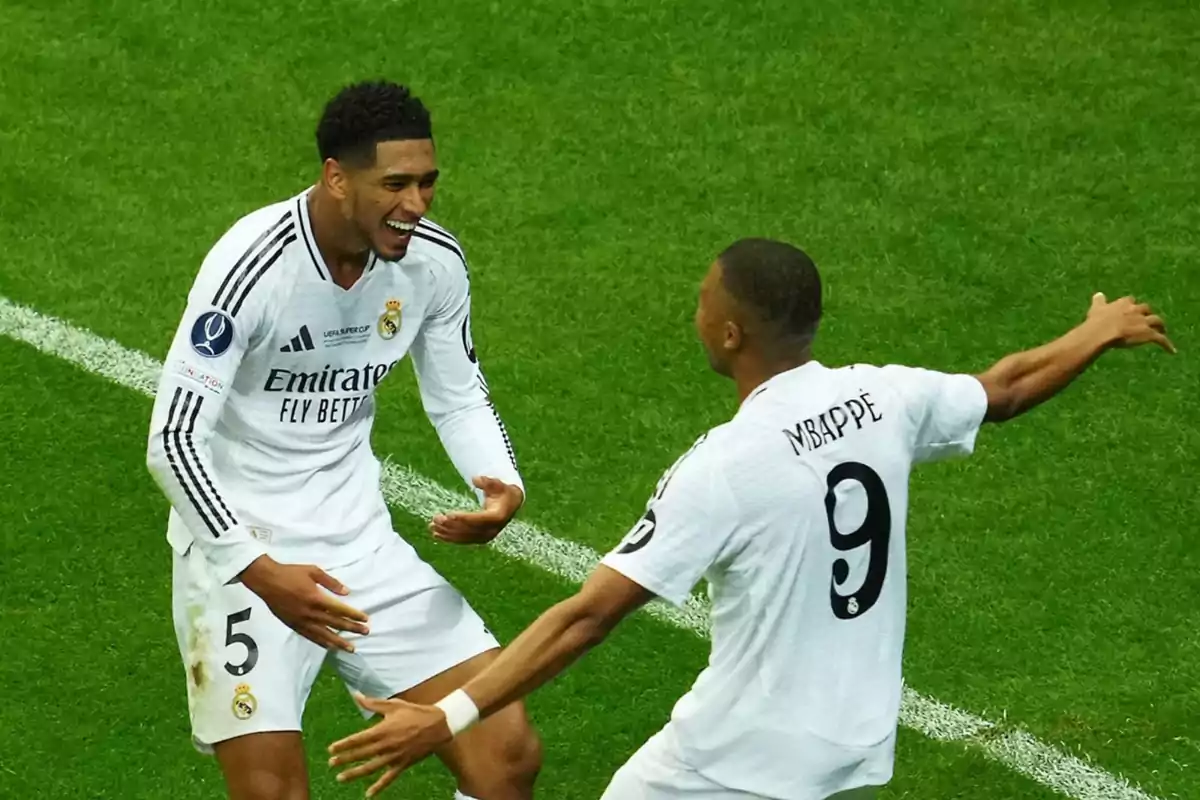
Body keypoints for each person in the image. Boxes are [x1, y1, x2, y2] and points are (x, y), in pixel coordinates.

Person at [324, 238, 1175, 799]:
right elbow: (1008, 388)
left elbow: (586, 617)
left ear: (730, 333)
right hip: (852, 736)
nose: (693, 311)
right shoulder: (885, 395)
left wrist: (448, 716)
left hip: (738, 751)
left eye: (702, 300)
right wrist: (1093, 331)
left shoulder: (727, 465)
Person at [144, 80, 541, 800]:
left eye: (427, 183)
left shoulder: (433, 264)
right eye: (394, 184)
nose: (415, 204)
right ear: (335, 176)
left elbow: (457, 394)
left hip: (360, 546)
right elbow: (172, 440)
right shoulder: (253, 267)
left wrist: (500, 482)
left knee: (505, 753)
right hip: (243, 556)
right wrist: (259, 571)